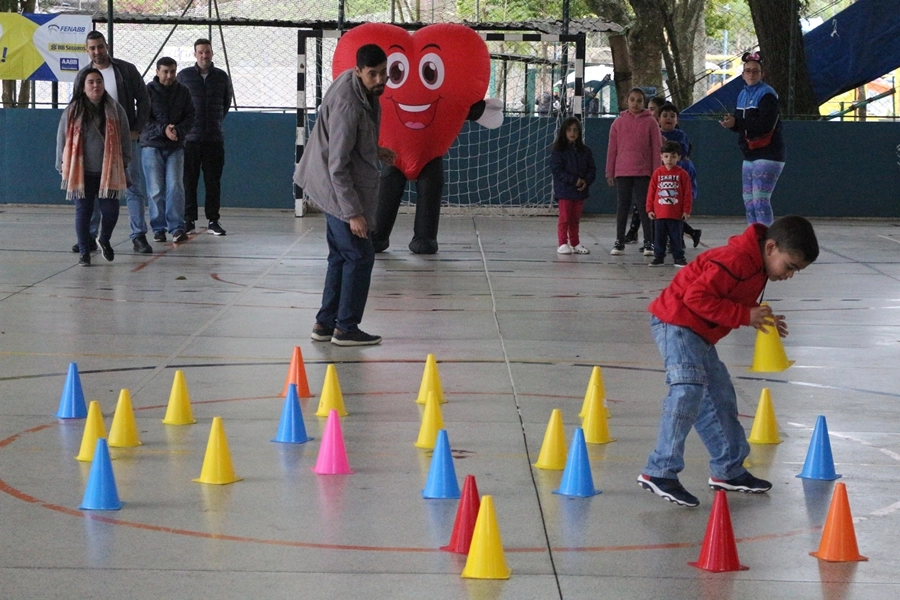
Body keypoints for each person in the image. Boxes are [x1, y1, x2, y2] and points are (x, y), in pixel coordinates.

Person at [637, 215, 819, 507]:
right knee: (687, 389)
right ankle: (659, 471)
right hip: (676, 323)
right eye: (790, 267)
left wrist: (760, 316)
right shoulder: (735, 259)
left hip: (699, 333)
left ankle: (728, 470)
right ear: (771, 248)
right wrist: (745, 315)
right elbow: (696, 298)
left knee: (720, 397)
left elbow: (731, 295)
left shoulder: (757, 266)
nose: (790, 275)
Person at [293, 44, 394, 347]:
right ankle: (346, 328)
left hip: (330, 182)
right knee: (360, 256)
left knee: (340, 255)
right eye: (373, 74)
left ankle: (325, 324)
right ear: (358, 71)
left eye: (383, 72)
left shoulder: (357, 87)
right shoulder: (349, 105)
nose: (380, 79)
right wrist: (353, 213)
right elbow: (337, 166)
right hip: (335, 187)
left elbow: (349, 140)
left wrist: (374, 150)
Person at [72, 31, 152, 254]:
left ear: (106, 46)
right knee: (92, 190)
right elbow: (75, 108)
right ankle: (89, 237)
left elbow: (144, 99)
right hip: (93, 144)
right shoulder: (83, 76)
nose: (97, 51)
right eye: (92, 48)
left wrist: (136, 129)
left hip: (123, 140)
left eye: (100, 46)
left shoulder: (126, 70)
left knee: (133, 187)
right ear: (87, 50)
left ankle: (138, 235)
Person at [56, 68, 131, 267]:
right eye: (91, 82)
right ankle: (84, 252)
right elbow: (62, 139)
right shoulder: (72, 111)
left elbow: (125, 137)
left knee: (111, 211)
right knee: (83, 211)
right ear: (83, 87)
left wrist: (125, 162)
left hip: (109, 171)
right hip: (81, 172)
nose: (95, 85)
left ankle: (104, 239)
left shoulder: (115, 109)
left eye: (99, 81)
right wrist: (61, 165)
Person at [720, 51, 785, 226]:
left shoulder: (767, 94)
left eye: (755, 71)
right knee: (749, 201)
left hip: (768, 152)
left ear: (762, 74)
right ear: (742, 74)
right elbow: (742, 125)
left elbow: (765, 124)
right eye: (748, 71)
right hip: (749, 153)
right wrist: (732, 124)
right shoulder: (742, 95)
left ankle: (766, 238)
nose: (751, 74)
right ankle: (754, 237)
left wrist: (738, 122)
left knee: (760, 199)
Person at [177, 38, 233, 236]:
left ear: (212, 53)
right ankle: (188, 220)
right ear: (195, 54)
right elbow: (179, 103)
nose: (204, 55)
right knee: (189, 182)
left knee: (213, 182)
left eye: (207, 51)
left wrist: (214, 122)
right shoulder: (184, 76)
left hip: (213, 139)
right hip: (190, 140)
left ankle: (213, 220)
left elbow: (226, 103)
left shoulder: (221, 77)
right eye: (200, 52)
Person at [140, 57, 195, 244]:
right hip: (151, 146)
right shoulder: (147, 91)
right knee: (155, 189)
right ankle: (158, 228)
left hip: (175, 147)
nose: (169, 75)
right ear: (157, 72)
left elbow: (191, 116)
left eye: (172, 71)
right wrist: (163, 130)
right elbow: (144, 119)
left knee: (175, 186)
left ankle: (177, 227)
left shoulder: (183, 92)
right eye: (165, 71)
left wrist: (178, 131)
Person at [607, 87, 661, 256]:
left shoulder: (651, 122)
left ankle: (649, 242)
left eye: (639, 100)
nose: (635, 103)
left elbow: (656, 149)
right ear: (626, 101)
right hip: (623, 172)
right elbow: (612, 150)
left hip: (643, 173)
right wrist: (610, 172)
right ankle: (619, 241)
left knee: (645, 207)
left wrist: (656, 173)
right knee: (622, 207)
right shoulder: (618, 123)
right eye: (632, 100)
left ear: (644, 102)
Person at [657, 102, 702, 248]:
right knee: (665, 213)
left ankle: (678, 242)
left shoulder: (680, 137)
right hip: (664, 184)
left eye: (672, 116)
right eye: (665, 115)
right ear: (658, 119)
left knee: (676, 212)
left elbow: (683, 152)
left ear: (677, 120)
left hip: (678, 187)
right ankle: (679, 238)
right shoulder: (655, 134)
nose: (668, 118)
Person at [550, 117, 596, 254]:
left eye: (575, 130)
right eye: (569, 130)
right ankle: (562, 243)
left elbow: (592, 169)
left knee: (575, 219)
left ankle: (575, 243)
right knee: (565, 218)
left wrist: (586, 181)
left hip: (579, 191)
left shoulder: (585, 151)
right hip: (564, 191)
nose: (572, 133)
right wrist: (574, 180)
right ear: (564, 132)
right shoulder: (558, 151)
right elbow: (557, 171)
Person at [646, 140, 692, 267]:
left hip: (676, 214)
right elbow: (651, 192)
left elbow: (687, 194)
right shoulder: (657, 173)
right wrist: (649, 209)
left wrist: (686, 210)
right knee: (659, 237)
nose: (669, 159)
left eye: (673, 156)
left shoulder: (682, 174)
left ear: (679, 157)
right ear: (661, 156)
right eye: (666, 156)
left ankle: (679, 257)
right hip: (659, 214)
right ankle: (658, 257)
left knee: (676, 237)